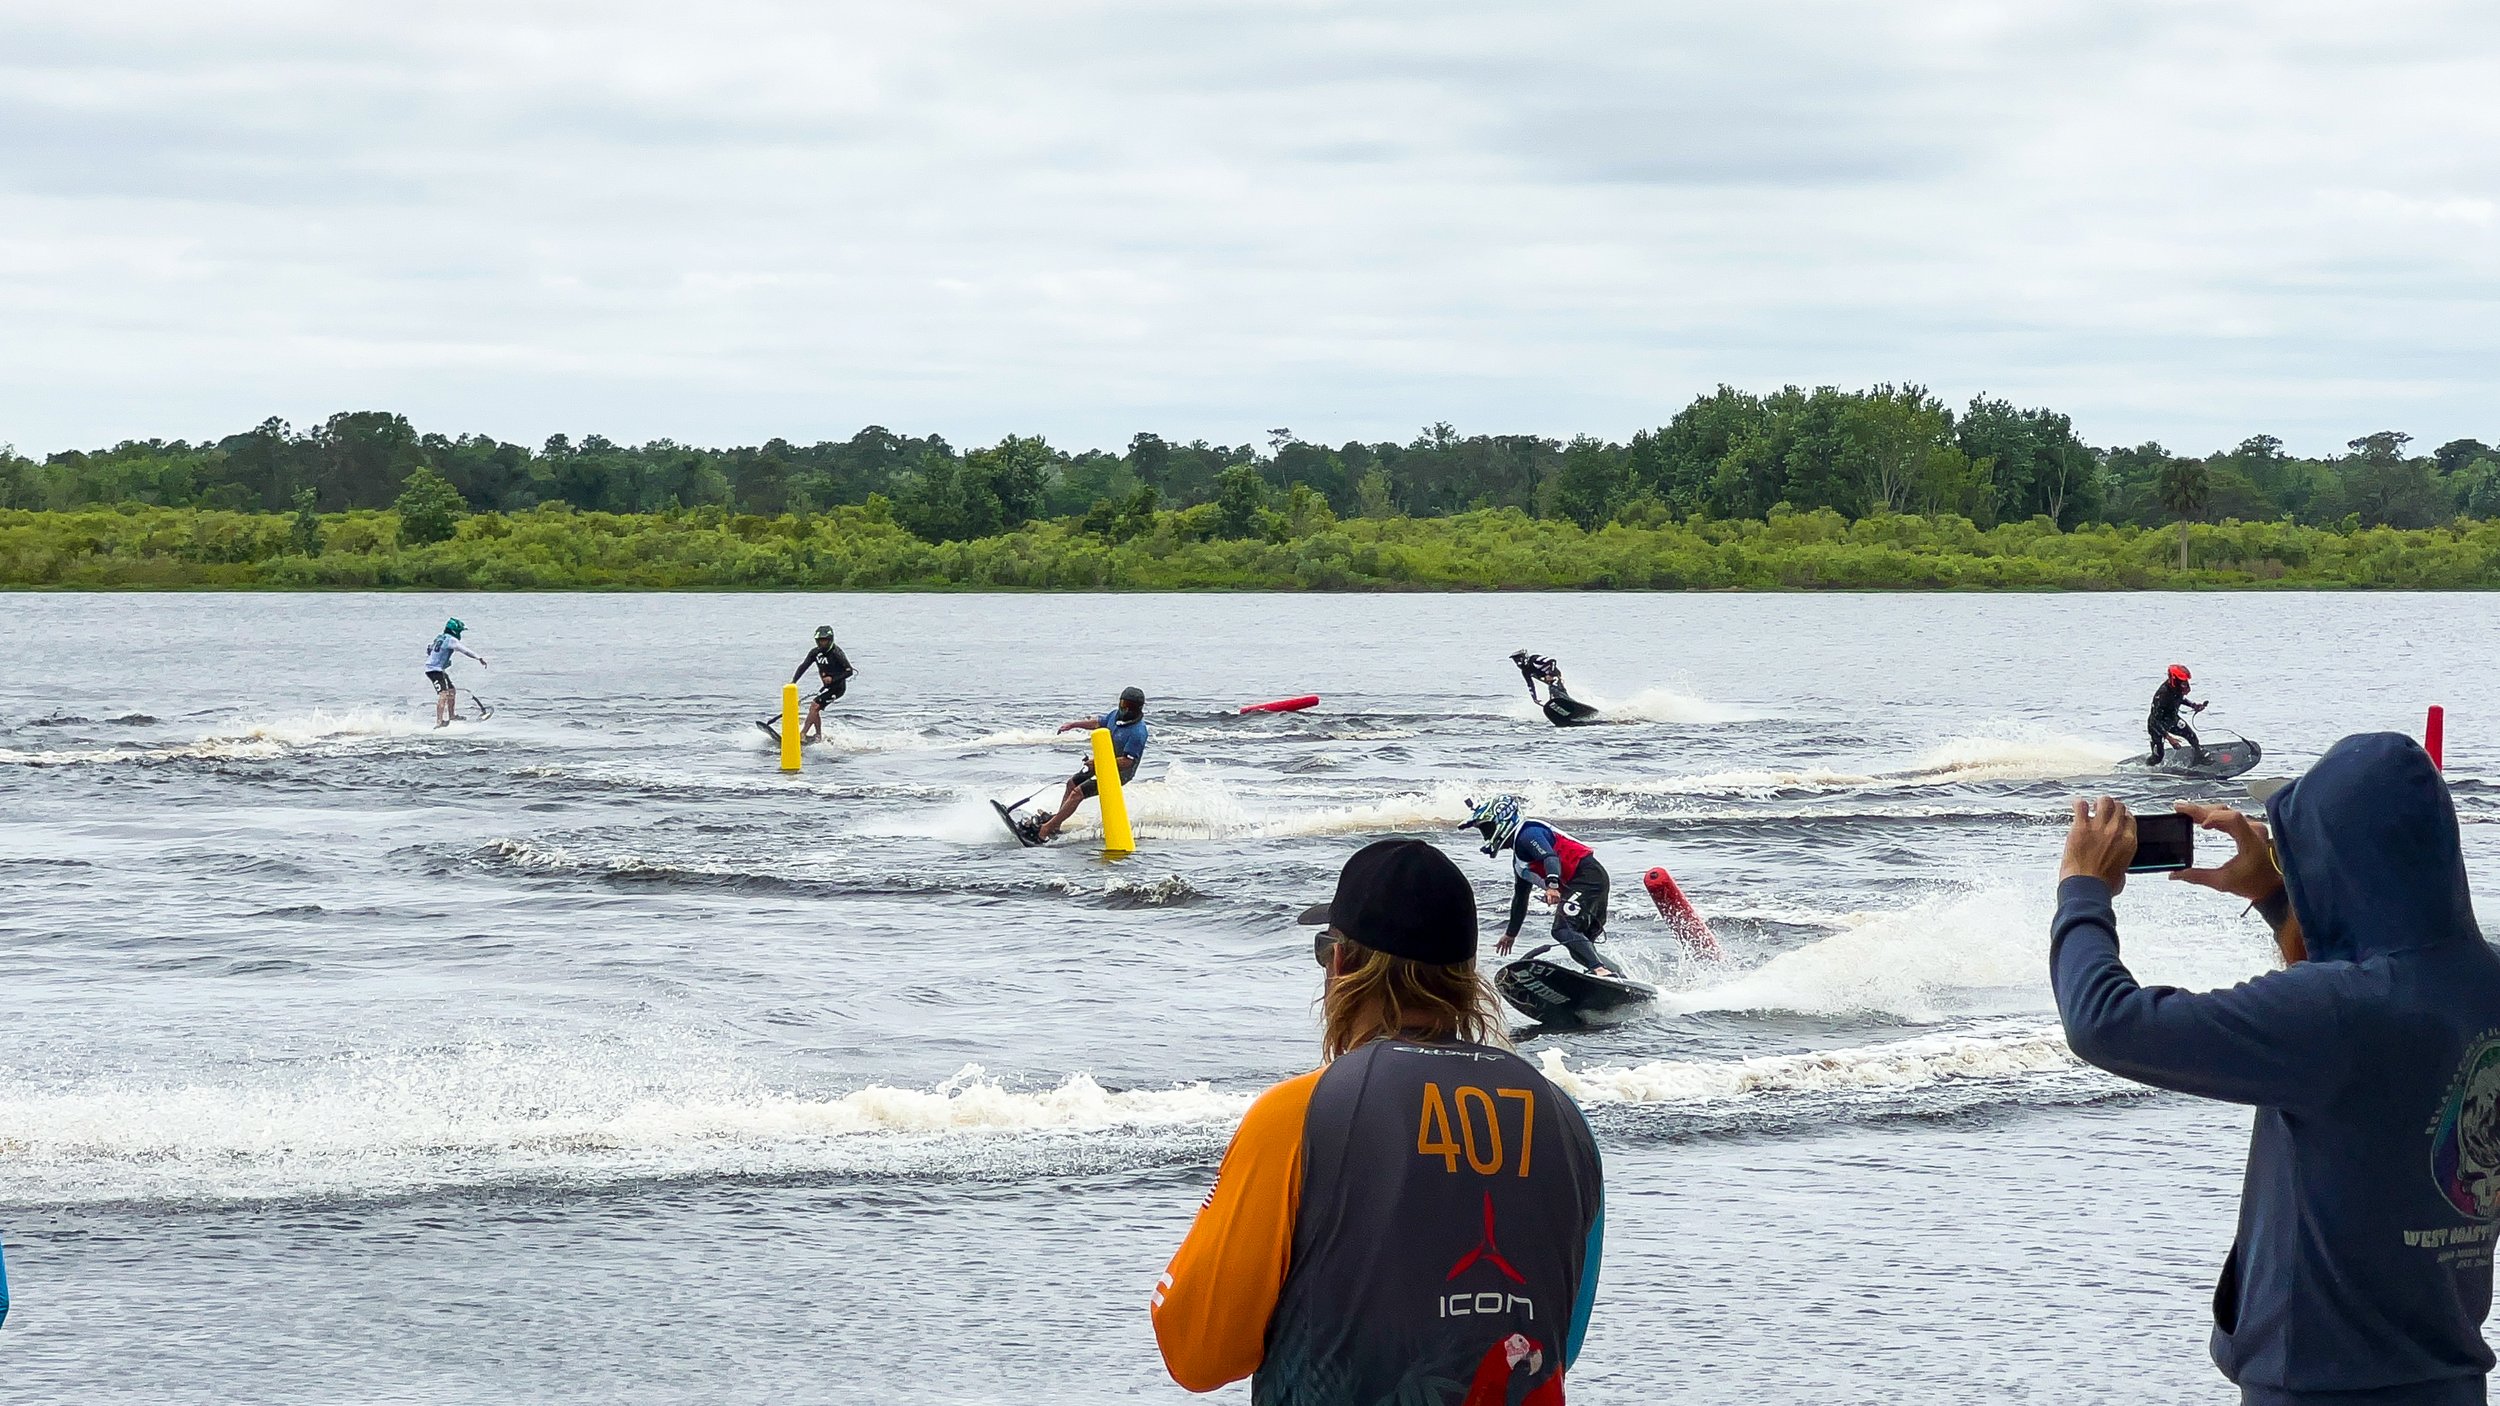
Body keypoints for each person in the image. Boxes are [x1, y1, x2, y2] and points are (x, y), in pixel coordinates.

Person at [2053, 732, 2500, 1405]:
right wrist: (2277, 899)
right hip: (2447, 1381)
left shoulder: (2340, 1013)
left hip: (2319, 1389)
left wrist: (2083, 891)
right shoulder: (2477, 984)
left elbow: (2104, 1022)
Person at [1152, 839, 1604, 1404]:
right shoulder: (1565, 1123)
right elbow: (1561, 1342)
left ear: (1343, 964)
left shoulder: (1300, 1113)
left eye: (1326, 951)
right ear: (1466, 976)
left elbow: (1198, 1350)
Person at [1464, 794, 1619, 977]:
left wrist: (1552, 885)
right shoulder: (1520, 864)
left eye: (1487, 828)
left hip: (1587, 878)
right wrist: (1511, 934)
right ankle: (1616, 976)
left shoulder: (1528, 833)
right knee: (1577, 944)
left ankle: (1599, 970)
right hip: (1589, 882)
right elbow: (1521, 898)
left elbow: (1549, 857)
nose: (1486, 835)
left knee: (1563, 929)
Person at [1030, 686, 1148, 842]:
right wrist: (1073, 725)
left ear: (1138, 708)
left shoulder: (1138, 732)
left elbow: (1128, 762)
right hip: (1101, 764)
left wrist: (1099, 763)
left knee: (1077, 793)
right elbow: (1098, 723)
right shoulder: (1115, 715)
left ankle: (1045, 830)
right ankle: (1056, 825)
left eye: (1129, 706)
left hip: (1118, 774)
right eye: (1122, 703)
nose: (1124, 708)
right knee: (1071, 783)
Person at [790, 625, 855, 743]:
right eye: (820, 641)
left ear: (830, 640)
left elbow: (849, 671)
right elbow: (804, 666)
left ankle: (803, 733)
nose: (822, 643)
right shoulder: (815, 653)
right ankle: (818, 736)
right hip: (827, 688)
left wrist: (833, 679)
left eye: (825, 640)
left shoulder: (836, 653)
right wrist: (793, 682)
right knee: (814, 708)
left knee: (814, 706)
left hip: (837, 688)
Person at [424, 618, 486, 728]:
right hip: (433, 670)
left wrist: (441, 660)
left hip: (437, 668)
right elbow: (465, 650)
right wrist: (478, 658)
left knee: (451, 690)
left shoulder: (440, 637)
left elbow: (429, 649)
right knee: (443, 694)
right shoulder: (451, 640)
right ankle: (439, 721)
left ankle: (452, 715)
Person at [2148, 662, 2208, 765]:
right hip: (2157, 726)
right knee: (2158, 757)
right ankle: (2147, 766)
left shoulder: (2177, 689)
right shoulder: (2162, 695)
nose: (2185, 686)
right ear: (2174, 680)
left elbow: (2180, 699)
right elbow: (2155, 720)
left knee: (2191, 736)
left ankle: (2199, 758)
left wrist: (2194, 706)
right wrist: (2169, 738)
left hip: (2172, 720)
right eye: (2183, 683)